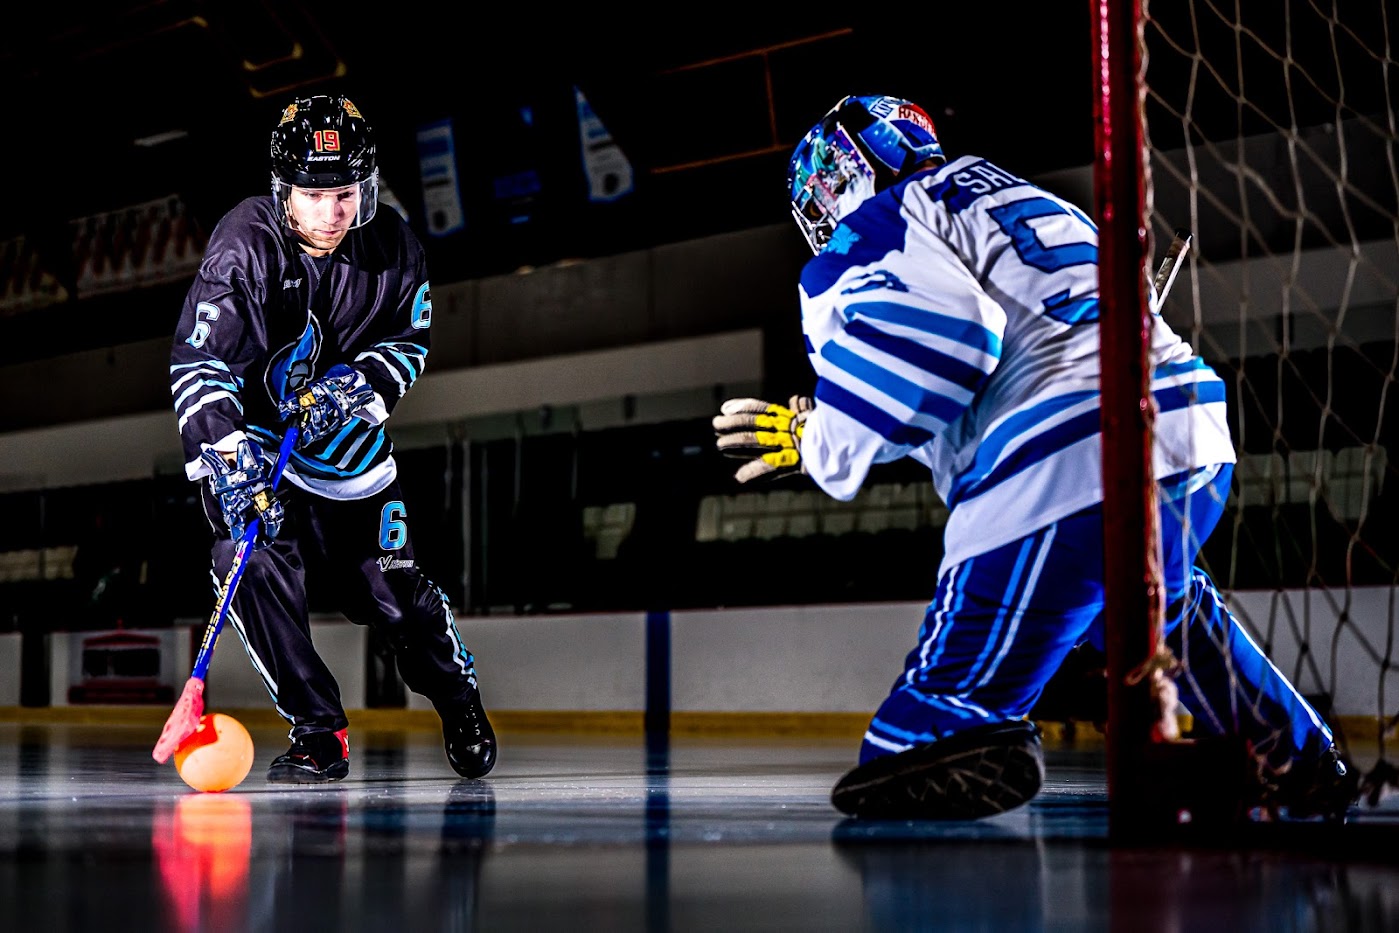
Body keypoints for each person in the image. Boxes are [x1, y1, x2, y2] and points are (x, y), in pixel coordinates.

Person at [712, 94, 1358, 821]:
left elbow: (944, 346)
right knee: (1151, 611)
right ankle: (1293, 756)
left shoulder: (866, 233)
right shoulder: (1019, 194)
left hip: (1064, 465)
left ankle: (982, 733)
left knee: (912, 736)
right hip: (1189, 434)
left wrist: (823, 441)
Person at [169, 93, 495, 783]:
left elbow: (409, 340)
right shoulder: (244, 242)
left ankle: (458, 697)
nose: (331, 213)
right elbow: (202, 362)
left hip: (350, 454)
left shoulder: (396, 247)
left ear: (366, 186)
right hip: (259, 446)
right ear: (284, 190)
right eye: (314, 196)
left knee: (390, 594)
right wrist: (230, 460)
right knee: (247, 560)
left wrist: (357, 390)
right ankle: (320, 732)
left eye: (345, 193)